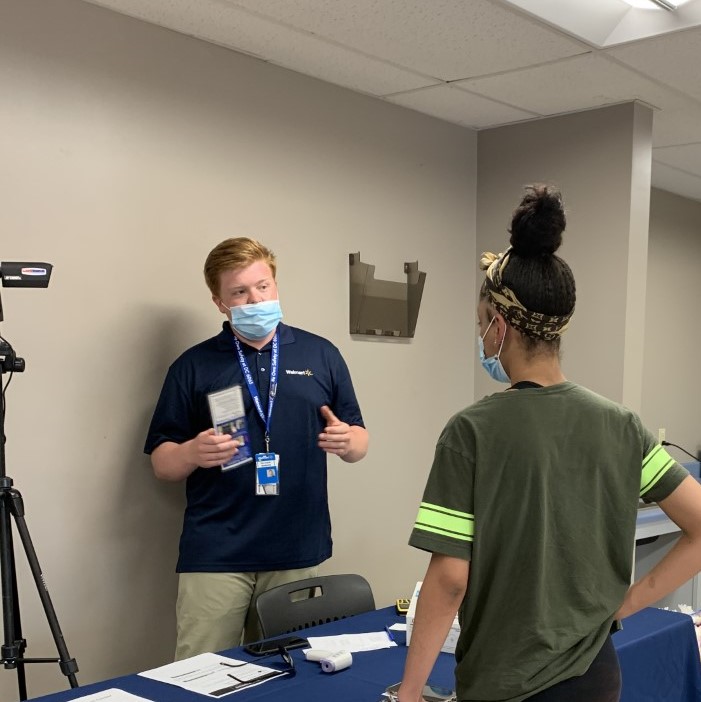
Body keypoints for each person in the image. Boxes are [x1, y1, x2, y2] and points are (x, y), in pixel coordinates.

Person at [396, 185, 701, 702]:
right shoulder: (622, 425)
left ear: (500, 326)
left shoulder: (471, 432)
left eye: (480, 324)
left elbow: (449, 580)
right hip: (595, 674)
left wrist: (408, 693)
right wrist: (625, 605)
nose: (481, 336)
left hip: (507, 680)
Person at [144, 237, 369, 659]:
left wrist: (348, 441)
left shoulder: (321, 355)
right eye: (240, 292)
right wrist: (191, 452)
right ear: (220, 302)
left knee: (290, 672)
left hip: (295, 548)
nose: (256, 299)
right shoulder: (193, 366)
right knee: (202, 674)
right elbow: (162, 463)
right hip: (216, 553)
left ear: (276, 285)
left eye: (263, 286)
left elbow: (359, 441)